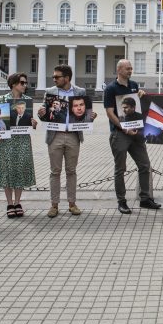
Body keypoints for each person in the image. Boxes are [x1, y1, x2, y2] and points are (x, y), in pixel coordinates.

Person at [104, 59, 161, 214]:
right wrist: (123, 128)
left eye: (131, 68)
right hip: (120, 134)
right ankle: (122, 201)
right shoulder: (110, 89)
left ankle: (145, 199)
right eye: (127, 69)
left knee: (144, 165)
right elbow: (109, 112)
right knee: (120, 169)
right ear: (119, 70)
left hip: (136, 133)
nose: (130, 71)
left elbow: (138, 104)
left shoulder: (134, 85)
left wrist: (141, 94)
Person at [37, 64, 95, 218]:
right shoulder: (50, 92)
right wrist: (41, 113)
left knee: (71, 171)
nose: (54, 79)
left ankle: (72, 203)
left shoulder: (80, 92)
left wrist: (90, 117)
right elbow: (45, 114)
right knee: (54, 172)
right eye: (53, 77)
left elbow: (84, 115)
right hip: (55, 136)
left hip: (73, 136)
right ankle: (54, 205)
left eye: (57, 77)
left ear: (67, 78)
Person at [0, 73, 37, 218]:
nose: (25, 85)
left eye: (25, 83)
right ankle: (9, 203)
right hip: (6, 141)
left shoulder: (28, 100)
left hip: (23, 140)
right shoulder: (2, 99)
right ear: (13, 84)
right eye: (22, 83)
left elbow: (30, 121)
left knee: (21, 170)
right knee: (7, 171)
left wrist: (34, 123)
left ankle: (18, 202)